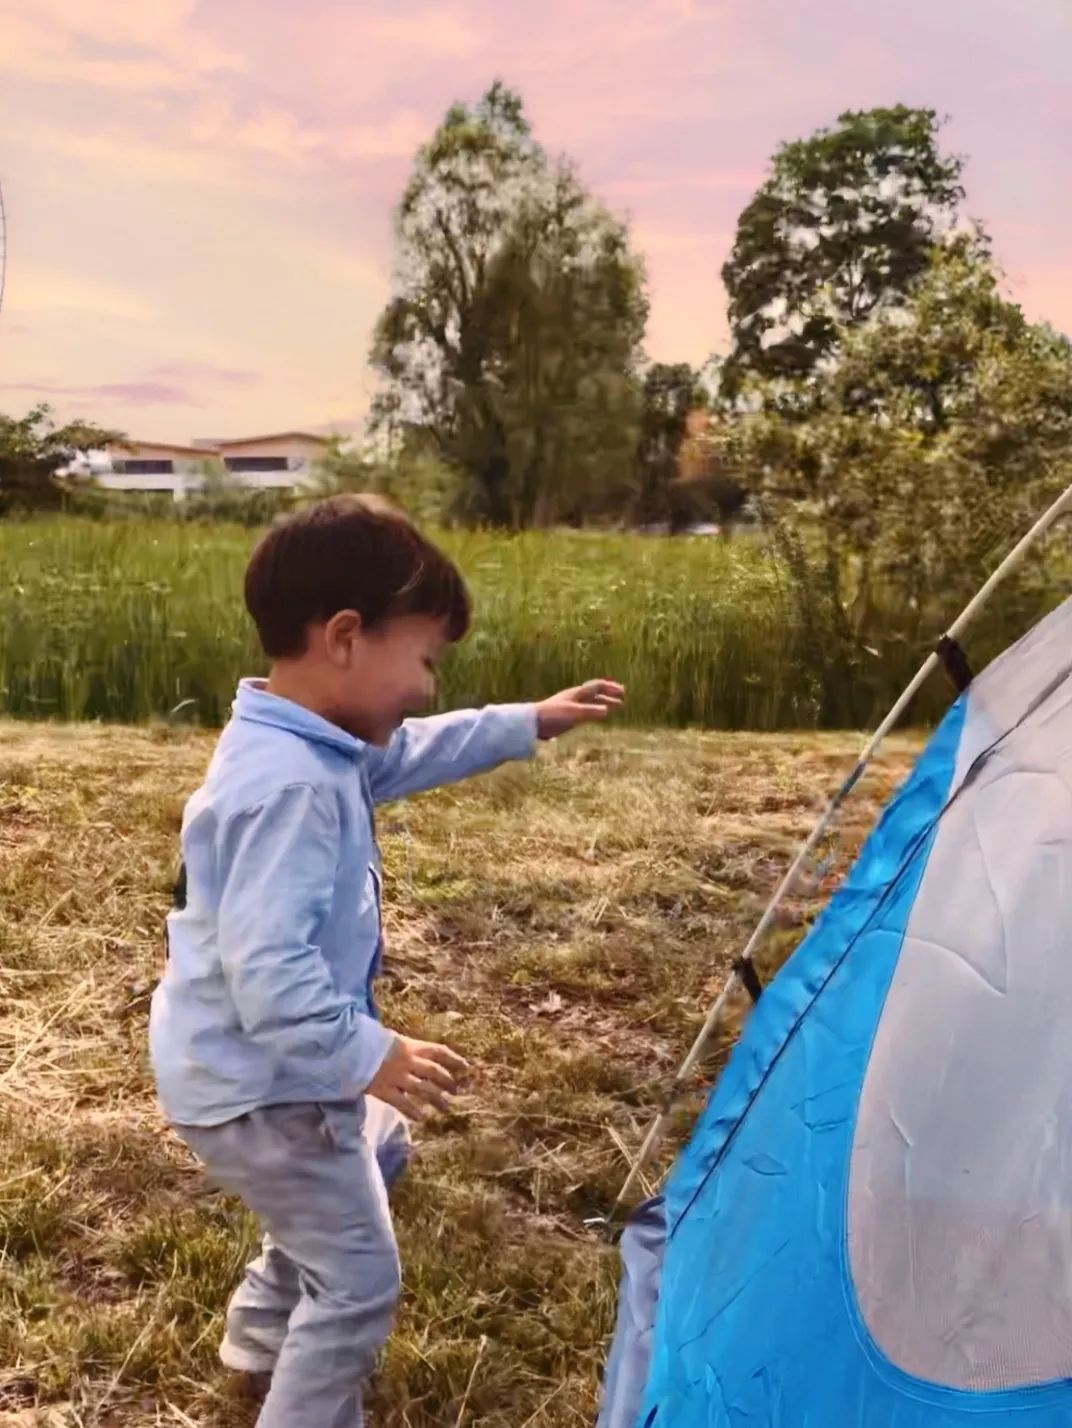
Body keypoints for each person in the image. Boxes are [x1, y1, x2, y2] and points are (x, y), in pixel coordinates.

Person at [149, 493, 623, 1427]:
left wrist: (527, 721)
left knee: (373, 1151)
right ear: (346, 637)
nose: (427, 688)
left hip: (250, 1073)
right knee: (359, 1280)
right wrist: (371, 1056)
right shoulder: (288, 788)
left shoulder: (310, 741)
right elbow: (271, 980)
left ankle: (254, 1337)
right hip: (267, 1090)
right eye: (425, 660)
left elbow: (413, 748)